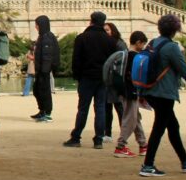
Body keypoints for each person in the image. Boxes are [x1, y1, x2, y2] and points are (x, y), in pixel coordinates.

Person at [139, 14, 186, 177]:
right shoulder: (171, 47)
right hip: (164, 92)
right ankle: (147, 165)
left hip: (150, 90)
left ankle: (185, 160)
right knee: (159, 128)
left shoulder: (153, 43)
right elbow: (185, 70)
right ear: (175, 29)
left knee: (172, 126)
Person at [63, 11, 117, 149]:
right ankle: (98, 139)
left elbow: (76, 60)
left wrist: (77, 76)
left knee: (83, 108)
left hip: (86, 77)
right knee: (100, 108)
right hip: (102, 78)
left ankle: (76, 137)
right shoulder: (110, 40)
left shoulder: (82, 38)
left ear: (91, 21)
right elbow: (112, 62)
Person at [110, 31, 148, 158]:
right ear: (138, 43)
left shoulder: (125, 55)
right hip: (131, 90)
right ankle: (121, 146)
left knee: (135, 117)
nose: (143, 47)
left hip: (124, 90)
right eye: (143, 44)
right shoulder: (136, 57)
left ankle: (143, 144)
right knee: (130, 119)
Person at [32, 16, 59, 122]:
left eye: (37, 24)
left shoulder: (47, 37)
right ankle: (42, 110)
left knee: (44, 91)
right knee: (37, 90)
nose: (36, 27)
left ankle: (47, 112)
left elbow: (47, 56)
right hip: (40, 69)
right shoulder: (43, 36)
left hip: (44, 70)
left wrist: (44, 71)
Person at [103, 22, 126, 141]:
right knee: (106, 108)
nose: (106, 32)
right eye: (104, 30)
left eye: (107, 30)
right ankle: (107, 133)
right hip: (106, 80)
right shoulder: (103, 43)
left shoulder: (119, 44)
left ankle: (124, 133)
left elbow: (124, 61)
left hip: (116, 80)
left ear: (113, 30)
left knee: (119, 107)